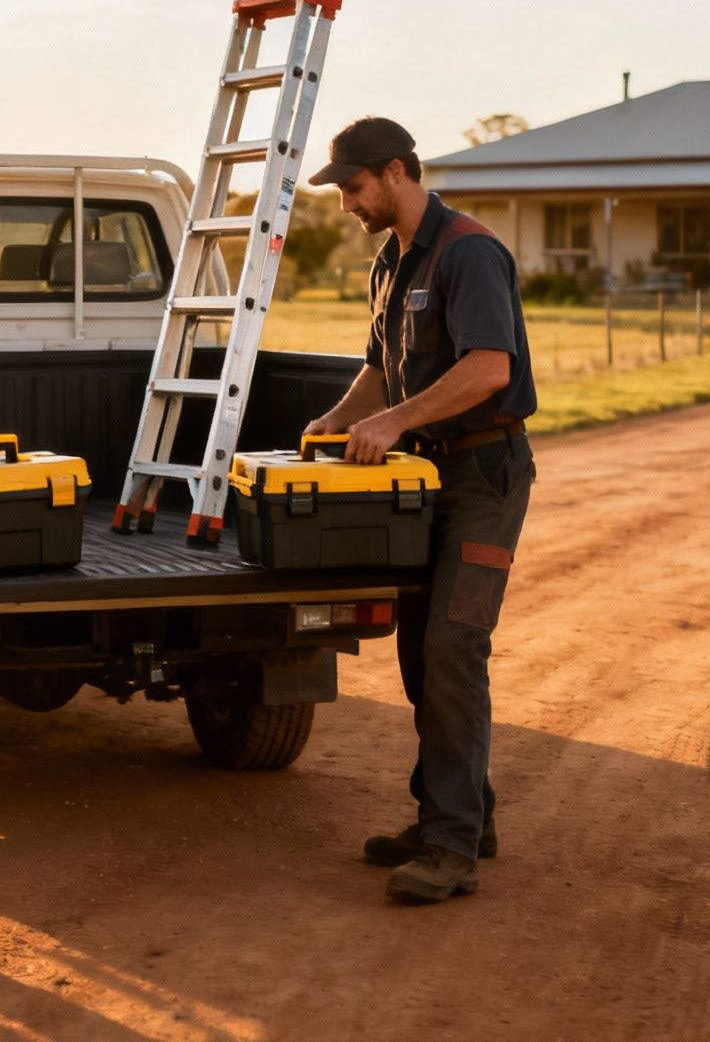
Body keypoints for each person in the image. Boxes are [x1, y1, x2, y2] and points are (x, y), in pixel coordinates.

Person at [303, 117, 537, 905]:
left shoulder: (469, 252)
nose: (345, 204)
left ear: (397, 172)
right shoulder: (391, 260)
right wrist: (341, 416)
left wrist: (397, 420)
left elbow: (488, 369)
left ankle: (450, 849)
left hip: (484, 476)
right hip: (424, 479)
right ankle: (466, 815)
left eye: (354, 187)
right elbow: (380, 366)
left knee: (452, 648)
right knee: (417, 654)